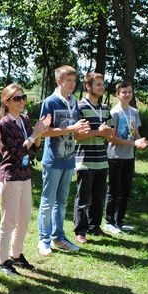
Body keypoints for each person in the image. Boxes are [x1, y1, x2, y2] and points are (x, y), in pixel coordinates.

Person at [0, 84, 50, 275]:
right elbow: (17, 152)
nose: (22, 101)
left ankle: (16, 255)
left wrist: (39, 134)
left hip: (25, 175)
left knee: (24, 220)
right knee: (8, 221)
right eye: (17, 98)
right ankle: (2, 260)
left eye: (23, 97)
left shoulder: (25, 119)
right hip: (10, 176)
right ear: (7, 102)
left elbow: (34, 148)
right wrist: (35, 134)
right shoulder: (5, 123)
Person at [37, 65, 90, 256]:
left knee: (62, 202)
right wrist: (71, 129)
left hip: (69, 159)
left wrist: (79, 130)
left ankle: (58, 237)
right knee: (47, 201)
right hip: (53, 160)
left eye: (74, 81)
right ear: (59, 81)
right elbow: (43, 132)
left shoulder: (74, 102)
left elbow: (74, 130)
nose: (72, 84)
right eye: (68, 81)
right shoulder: (50, 102)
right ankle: (43, 240)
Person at [73, 72, 115, 244]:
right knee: (84, 198)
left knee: (99, 197)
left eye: (102, 84)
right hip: (84, 160)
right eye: (98, 84)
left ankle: (95, 226)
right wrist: (99, 132)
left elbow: (111, 134)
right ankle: (80, 231)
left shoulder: (105, 109)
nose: (102, 87)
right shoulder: (80, 107)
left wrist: (107, 132)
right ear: (88, 87)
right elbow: (76, 135)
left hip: (101, 159)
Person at [105, 81, 148, 233]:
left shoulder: (134, 112)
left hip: (129, 157)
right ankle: (109, 221)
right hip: (115, 156)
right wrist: (133, 143)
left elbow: (136, 134)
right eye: (124, 92)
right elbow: (111, 138)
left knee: (125, 190)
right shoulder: (114, 113)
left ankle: (119, 221)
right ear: (117, 95)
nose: (127, 95)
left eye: (129, 92)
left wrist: (141, 142)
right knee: (114, 189)